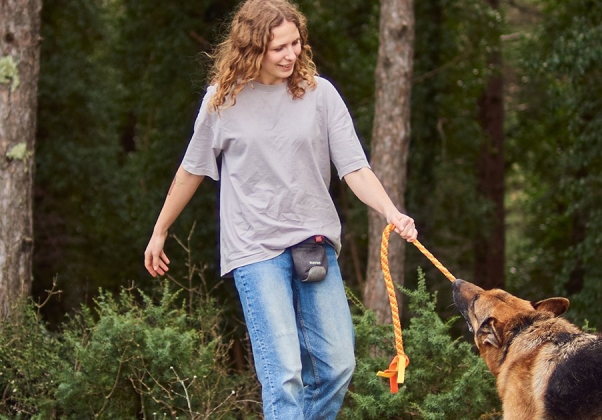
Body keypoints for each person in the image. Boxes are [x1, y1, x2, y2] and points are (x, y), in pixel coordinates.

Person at [142, 0, 418, 418]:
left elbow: (355, 168)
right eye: (278, 48)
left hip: (313, 243)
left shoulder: (320, 94)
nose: (291, 54)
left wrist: (391, 212)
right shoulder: (222, 101)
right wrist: (160, 230)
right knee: (285, 374)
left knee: (338, 366)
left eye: (295, 43)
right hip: (254, 250)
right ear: (252, 49)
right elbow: (191, 170)